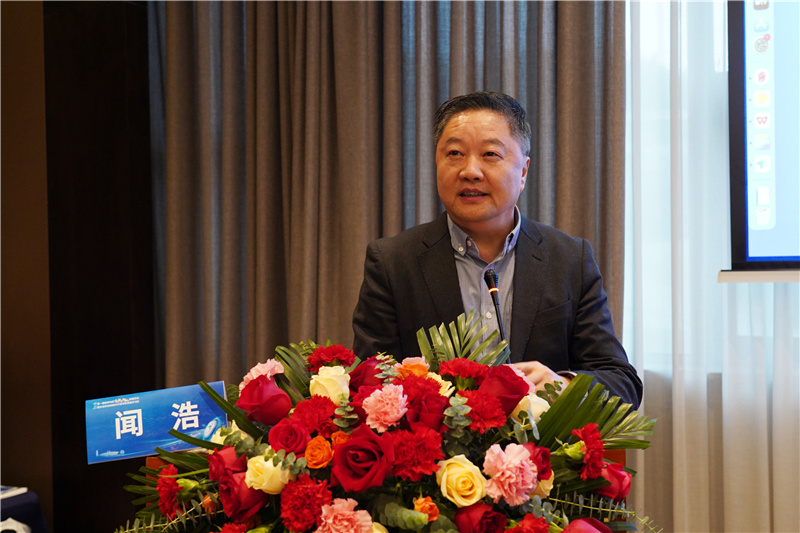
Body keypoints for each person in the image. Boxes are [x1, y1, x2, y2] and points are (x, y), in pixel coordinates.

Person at [352, 91, 642, 408]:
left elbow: (622, 382)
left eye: (490, 154)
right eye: (454, 153)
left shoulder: (569, 259)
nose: (470, 171)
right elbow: (368, 384)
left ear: (523, 172)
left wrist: (563, 385)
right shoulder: (393, 263)